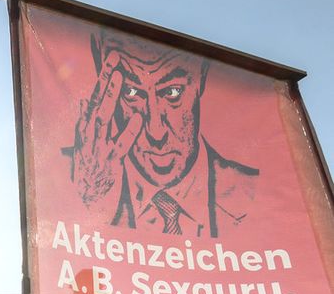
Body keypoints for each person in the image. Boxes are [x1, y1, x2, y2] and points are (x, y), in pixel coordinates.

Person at [69, 28, 256, 238]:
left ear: (201, 77)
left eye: (172, 92)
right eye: (131, 92)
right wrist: (91, 204)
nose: (156, 133)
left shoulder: (256, 196)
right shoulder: (61, 186)